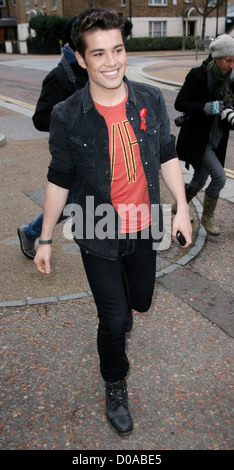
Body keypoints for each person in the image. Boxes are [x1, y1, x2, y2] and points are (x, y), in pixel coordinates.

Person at [34, 7, 192, 435]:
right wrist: (45, 238)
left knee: (140, 302)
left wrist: (181, 205)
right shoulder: (67, 115)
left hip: (144, 224)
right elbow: (59, 179)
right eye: (99, 53)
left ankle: (121, 307)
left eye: (117, 49)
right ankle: (115, 384)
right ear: (81, 59)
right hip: (96, 227)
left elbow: (165, 153)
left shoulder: (150, 99)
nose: (111, 62)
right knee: (115, 320)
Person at [17, 16, 88, 259]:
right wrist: (72, 123)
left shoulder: (100, 69)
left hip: (100, 150)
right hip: (73, 154)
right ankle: (30, 232)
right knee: (70, 204)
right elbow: (40, 118)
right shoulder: (59, 76)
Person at [174, 34, 234, 235]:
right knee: (219, 178)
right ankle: (208, 217)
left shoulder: (231, 81)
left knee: (199, 181)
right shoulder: (197, 75)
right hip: (199, 139)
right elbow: (180, 103)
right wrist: (205, 108)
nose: (231, 65)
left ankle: (179, 206)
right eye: (228, 60)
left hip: (218, 139)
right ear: (216, 58)